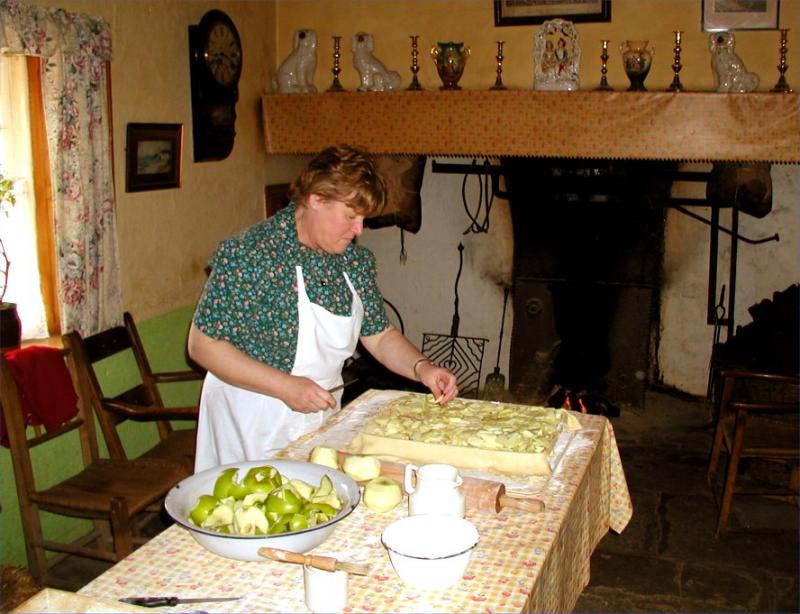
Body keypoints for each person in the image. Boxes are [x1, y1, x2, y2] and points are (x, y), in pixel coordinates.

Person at [188, 144, 458, 472]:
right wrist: (285, 386)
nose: (359, 230)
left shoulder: (353, 263)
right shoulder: (251, 255)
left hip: (321, 411)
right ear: (316, 198)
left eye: (362, 218)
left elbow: (380, 334)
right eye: (350, 216)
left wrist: (421, 368)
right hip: (253, 418)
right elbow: (203, 346)